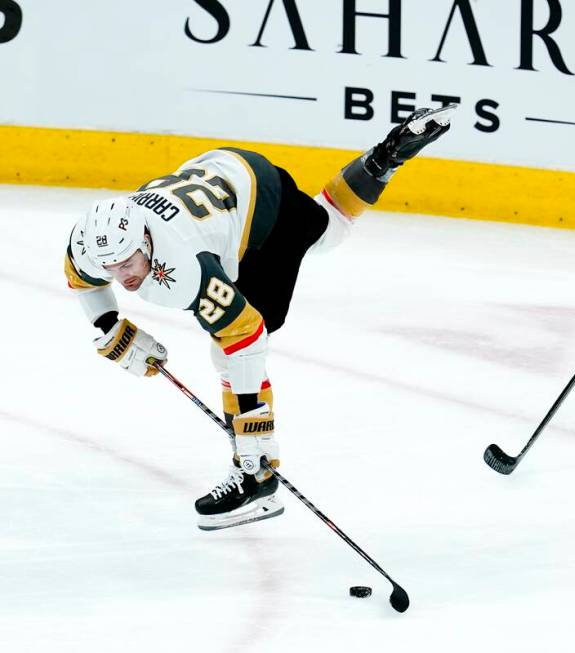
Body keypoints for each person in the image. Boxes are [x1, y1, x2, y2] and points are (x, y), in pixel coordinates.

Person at [64, 105, 455, 529]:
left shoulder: (184, 268)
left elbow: (247, 335)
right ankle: (385, 157)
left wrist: (252, 427)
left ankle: (257, 476)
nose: (123, 278)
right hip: (224, 166)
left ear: (145, 238)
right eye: (112, 268)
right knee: (323, 223)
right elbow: (83, 281)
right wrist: (110, 326)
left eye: (129, 263)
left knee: (245, 329)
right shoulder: (90, 244)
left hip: (258, 208)